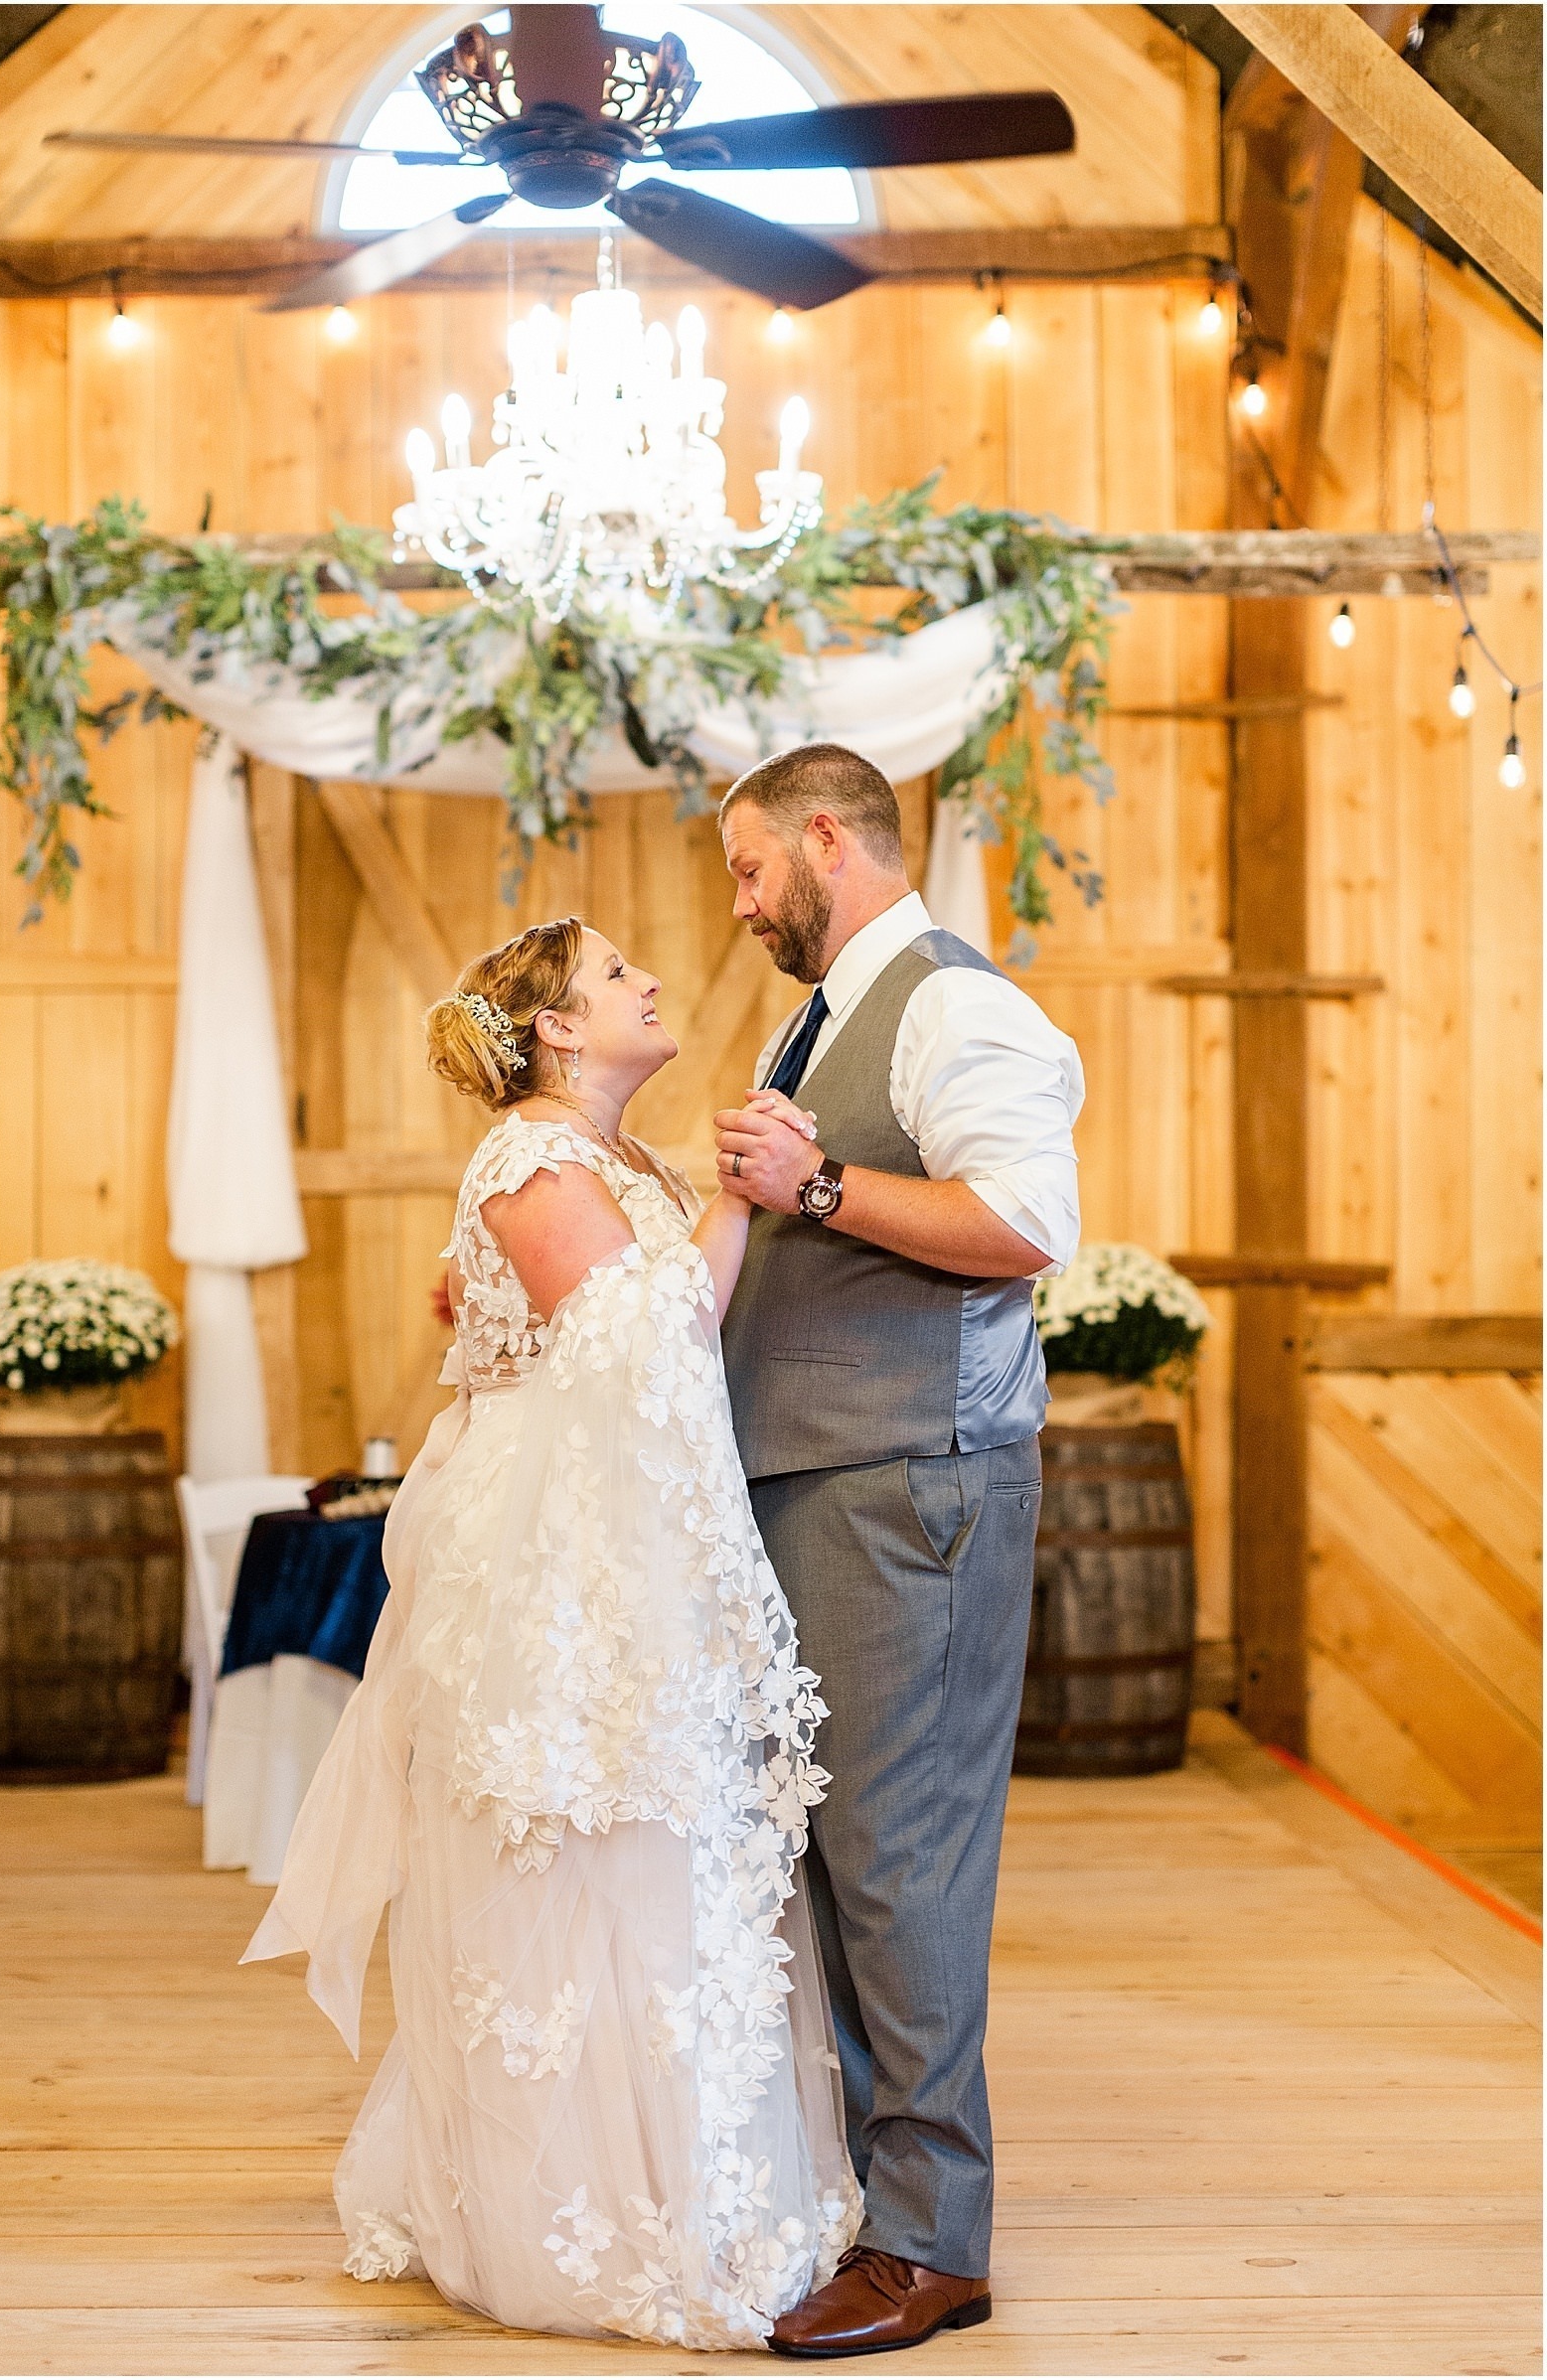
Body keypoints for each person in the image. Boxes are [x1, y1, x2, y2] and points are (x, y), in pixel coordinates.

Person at [242, 916, 859, 2350]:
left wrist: (699, 1196)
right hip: (559, 1567)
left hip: (628, 1539)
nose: (647, 982)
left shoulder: (607, 1160)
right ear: (565, 1031)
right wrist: (735, 1199)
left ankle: (689, 2180)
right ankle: (581, 2214)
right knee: (581, 1848)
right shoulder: (531, 1154)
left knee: (667, 1852)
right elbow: (654, 1341)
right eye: (617, 975)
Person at [712, 743, 1085, 2360]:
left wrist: (827, 1180)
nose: (739, 908)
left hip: (910, 1488)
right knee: (836, 1859)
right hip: (823, 1480)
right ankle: (884, 2208)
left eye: (745, 873)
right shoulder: (824, 1012)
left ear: (822, 839)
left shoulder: (952, 1003)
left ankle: (934, 2242)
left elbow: (1024, 1226)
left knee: (903, 1860)